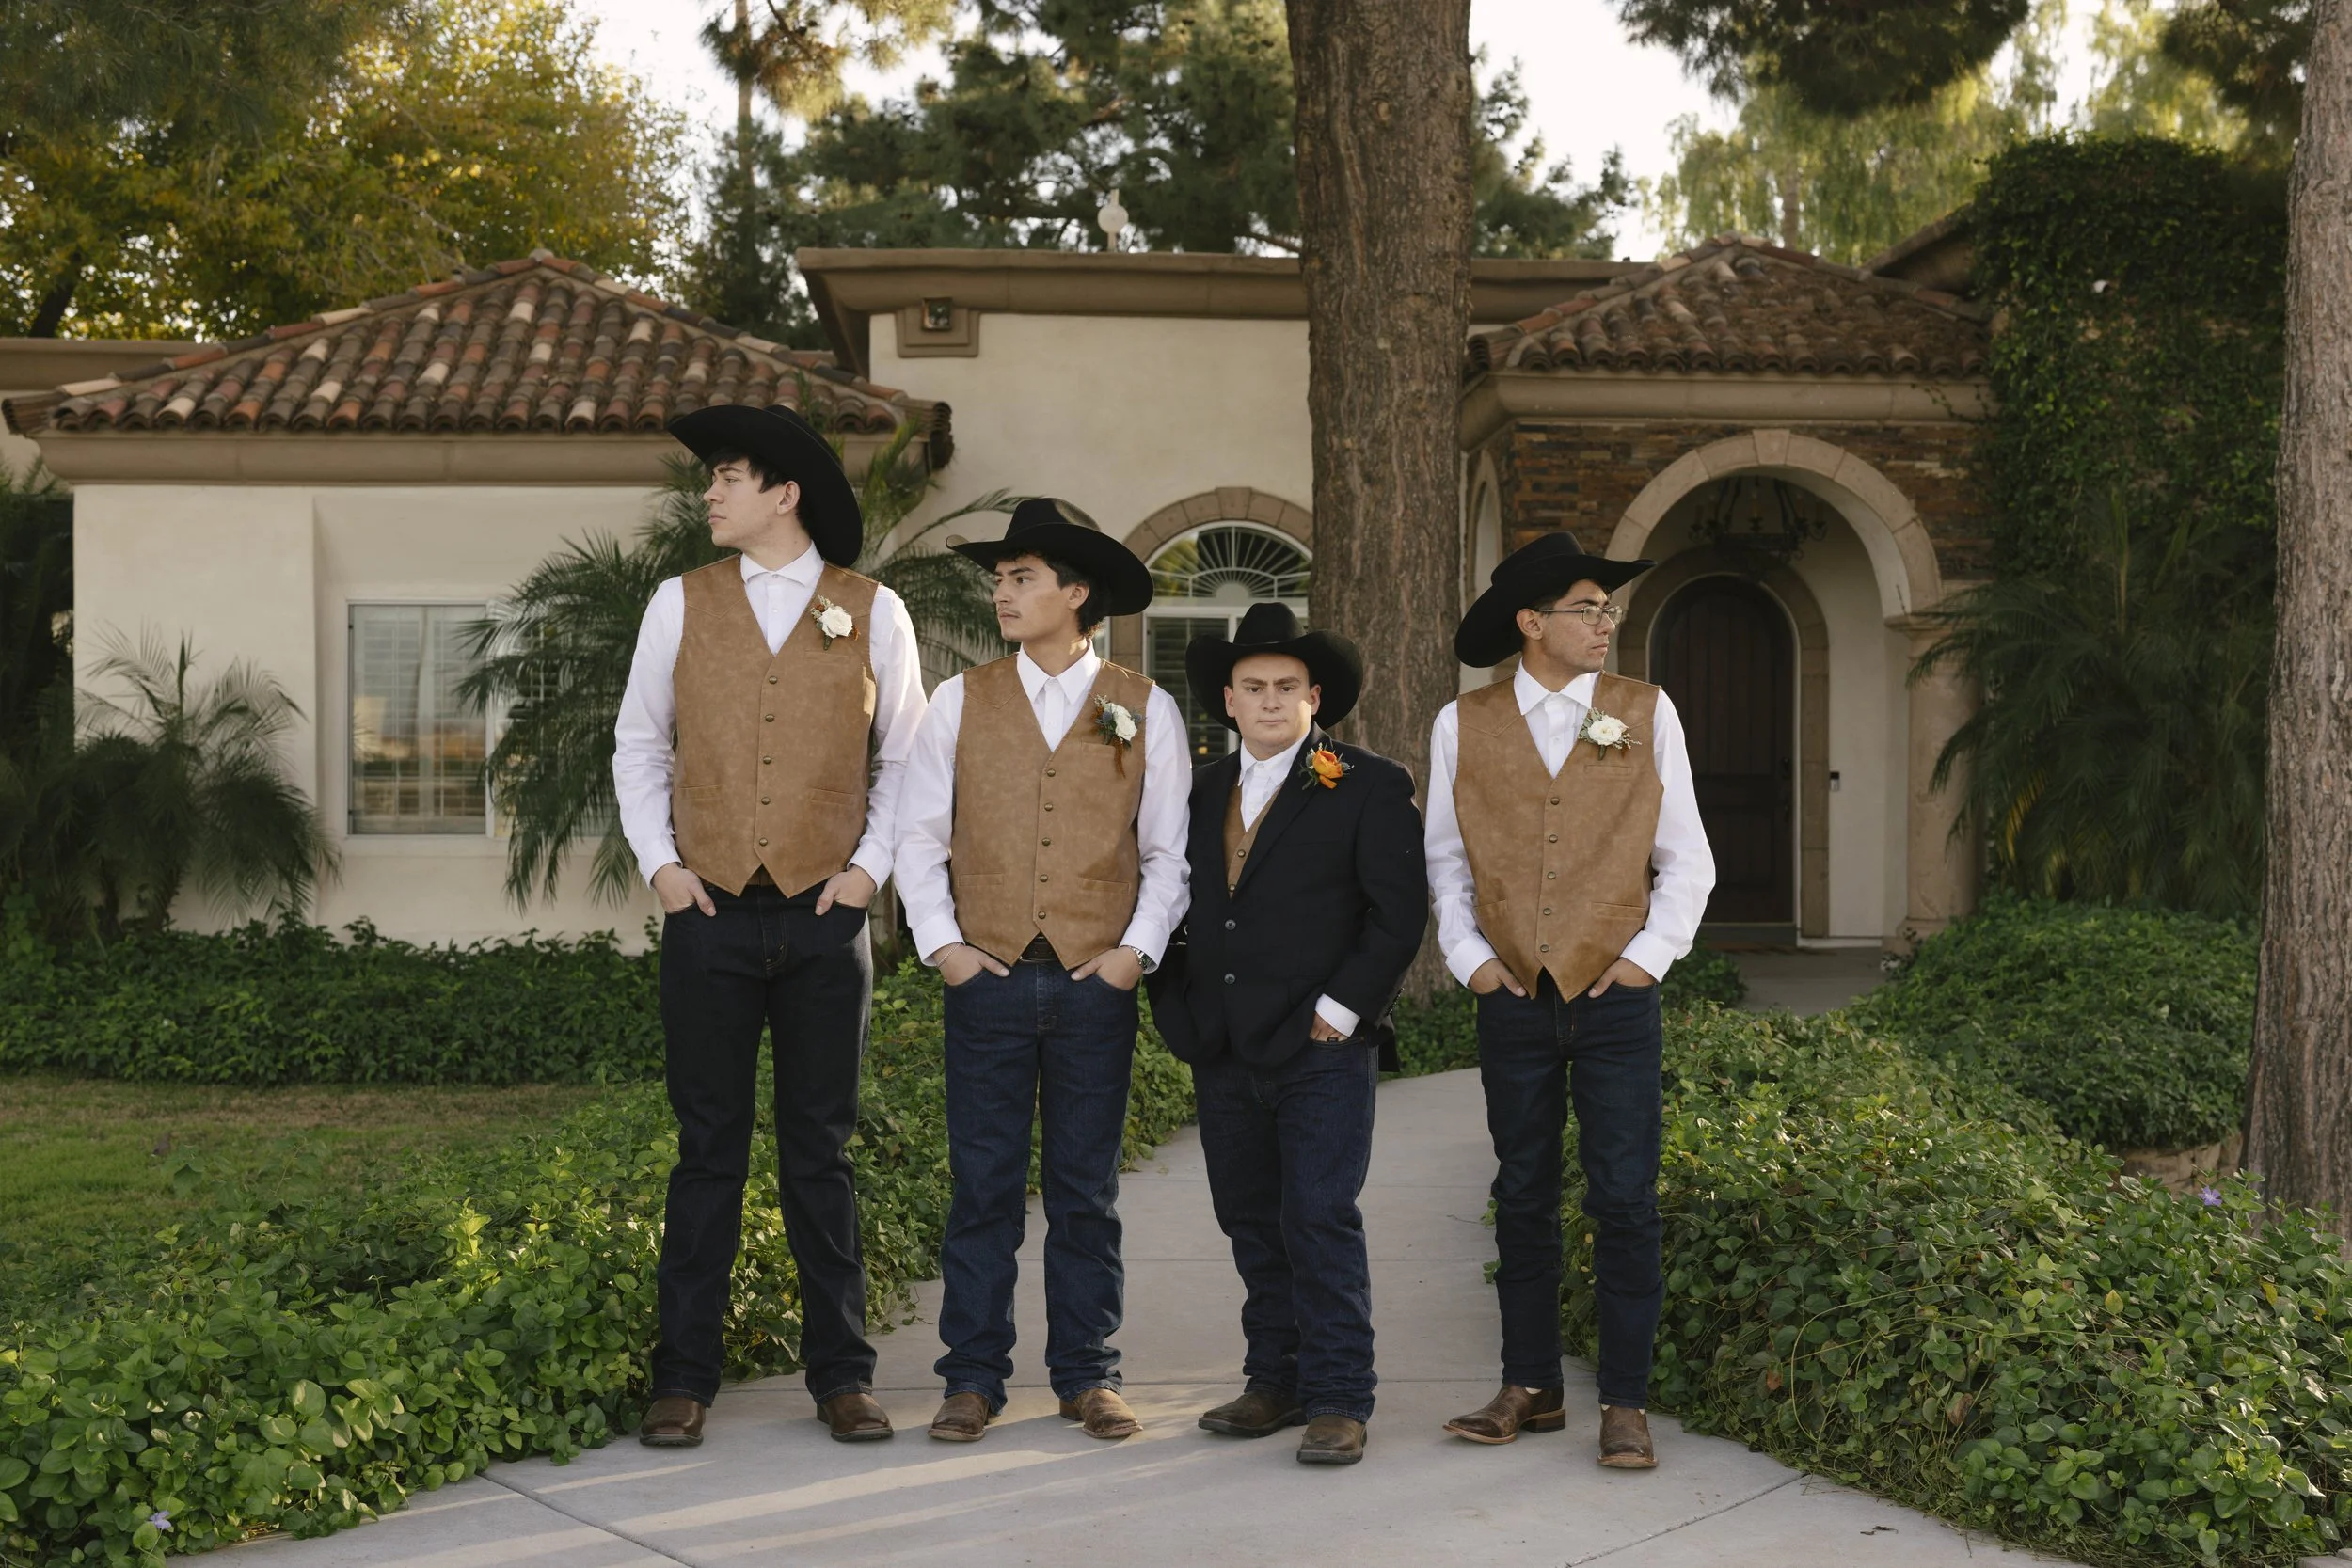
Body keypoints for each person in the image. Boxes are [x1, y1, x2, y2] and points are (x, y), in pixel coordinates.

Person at [614, 402, 926, 1448]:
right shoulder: (678, 602)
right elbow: (638, 746)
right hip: (706, 914)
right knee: (707, 1151)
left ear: (784, 494)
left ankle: (842, 1374)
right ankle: (683, 1376)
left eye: (730, 475)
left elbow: (907, 763)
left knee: (820, 1153)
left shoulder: (874, 610)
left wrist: (867, 873)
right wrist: (661, 865)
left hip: (825, 921)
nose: (709, 491)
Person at [895, 498, 1190, 1443]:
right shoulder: (958, 700)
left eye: (1021, 577)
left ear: (1076, 591)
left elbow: (1169, 853)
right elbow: (917, 835)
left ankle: (1087, 1372)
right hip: (986, 977)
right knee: (981, 1184)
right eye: (999, 577)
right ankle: (972, 1375)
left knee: (1084, 1189)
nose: (1001, 592)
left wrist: (1129, 956)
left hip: (1090, 984)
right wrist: (944, 946)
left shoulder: (1147, 706)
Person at [1425, 533, 1715, 1470]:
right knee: (1522, 1194)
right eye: (1588, 608)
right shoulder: (1459, 722)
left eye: (1608, 609)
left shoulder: (1645, 709)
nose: (1605, 624)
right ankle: (1531, 1384)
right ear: (1530, 622)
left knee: (1624, 1198)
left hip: (1615, 999)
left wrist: (1643, 960)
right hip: (1512, 997)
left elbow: (1686, 858)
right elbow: (1445, 861)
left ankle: (1624, 1401)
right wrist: (1469, 959)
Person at [1148, 603, 1426, 1465]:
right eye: (1253, 687)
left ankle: (1341, 1395)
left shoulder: (1367, 783)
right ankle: (1274, 1376)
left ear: (1315, 698)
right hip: (1223, 1043)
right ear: (1227, 700)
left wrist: (1341, 1010)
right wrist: (1174, 1002)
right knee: (1249, 1219)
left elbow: (1398, 910)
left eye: (1287, 688)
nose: (1270, 701)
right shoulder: (1194, 791)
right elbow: (1161, 893)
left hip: (1321, 1046)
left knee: (1317, 1213)